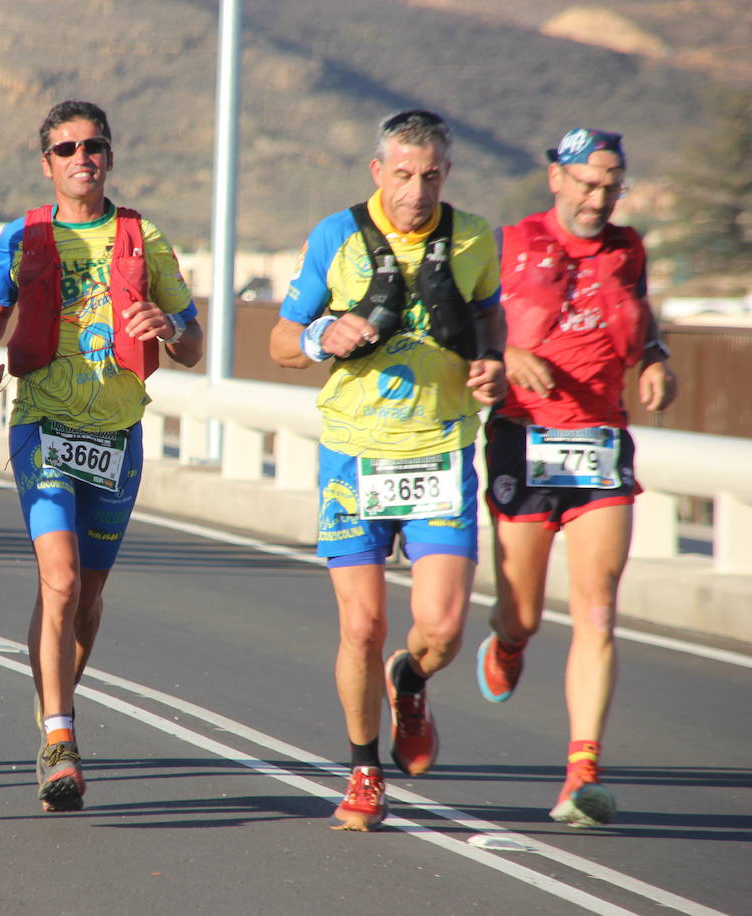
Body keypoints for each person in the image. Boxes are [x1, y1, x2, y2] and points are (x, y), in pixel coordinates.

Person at [269, 109, 507, 831]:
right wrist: (321, 334)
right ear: (378, 171)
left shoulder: (472, 239)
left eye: (430, 175)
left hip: (439, 449)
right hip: (354, 452)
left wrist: (492, 368)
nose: (416, 190)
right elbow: (281, 341)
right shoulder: (335, 238)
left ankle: (411, 681)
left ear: (446, 173)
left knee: (439, 630)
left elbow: (491, 323)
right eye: (402, 174)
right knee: (363, 626)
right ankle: (365, 771)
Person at [0, 100, 203, 812]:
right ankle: (62, 738)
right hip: (42, 426)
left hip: (117, 436)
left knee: (85, 599)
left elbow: (193, 347)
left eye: (93, 145)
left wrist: (169, 328)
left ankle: (50, 711)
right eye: (66, 149)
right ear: (47, 165)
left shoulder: (144, 237)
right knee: (62, 581)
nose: (81, 158)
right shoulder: (22, 236)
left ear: (109, 154)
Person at [476, 128, 677, 828]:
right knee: (523, 614)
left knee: (597, 609)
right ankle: (506, 641)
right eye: (588, 183)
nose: (599, 198)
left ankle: (580, 774)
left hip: (599, 443)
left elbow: (643, 322)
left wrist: (654, 361)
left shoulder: (628, 248)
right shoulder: (506, 242)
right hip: (521, 439)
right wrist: (507, 349)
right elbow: (467, 321)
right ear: (556, 177)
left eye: (612, 185)